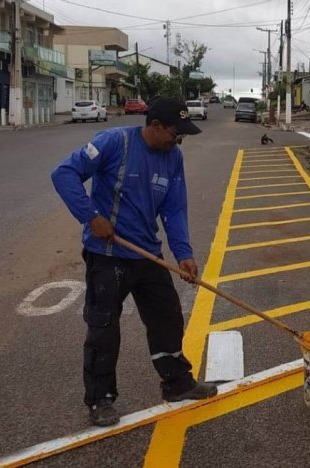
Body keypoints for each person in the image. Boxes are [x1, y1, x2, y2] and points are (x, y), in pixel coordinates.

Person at [51, 97, 216, 427]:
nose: (178, 140)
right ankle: (100, 399)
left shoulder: (173, 157)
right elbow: (64, 174)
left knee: (167, 315)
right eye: (174, 133)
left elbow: (174, 209)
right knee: (104, 328)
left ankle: (176, 382)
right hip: (108, 255)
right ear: (154, 127)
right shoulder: (114, 143)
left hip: (147, 253)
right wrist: (90, 216)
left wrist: (183, 254)